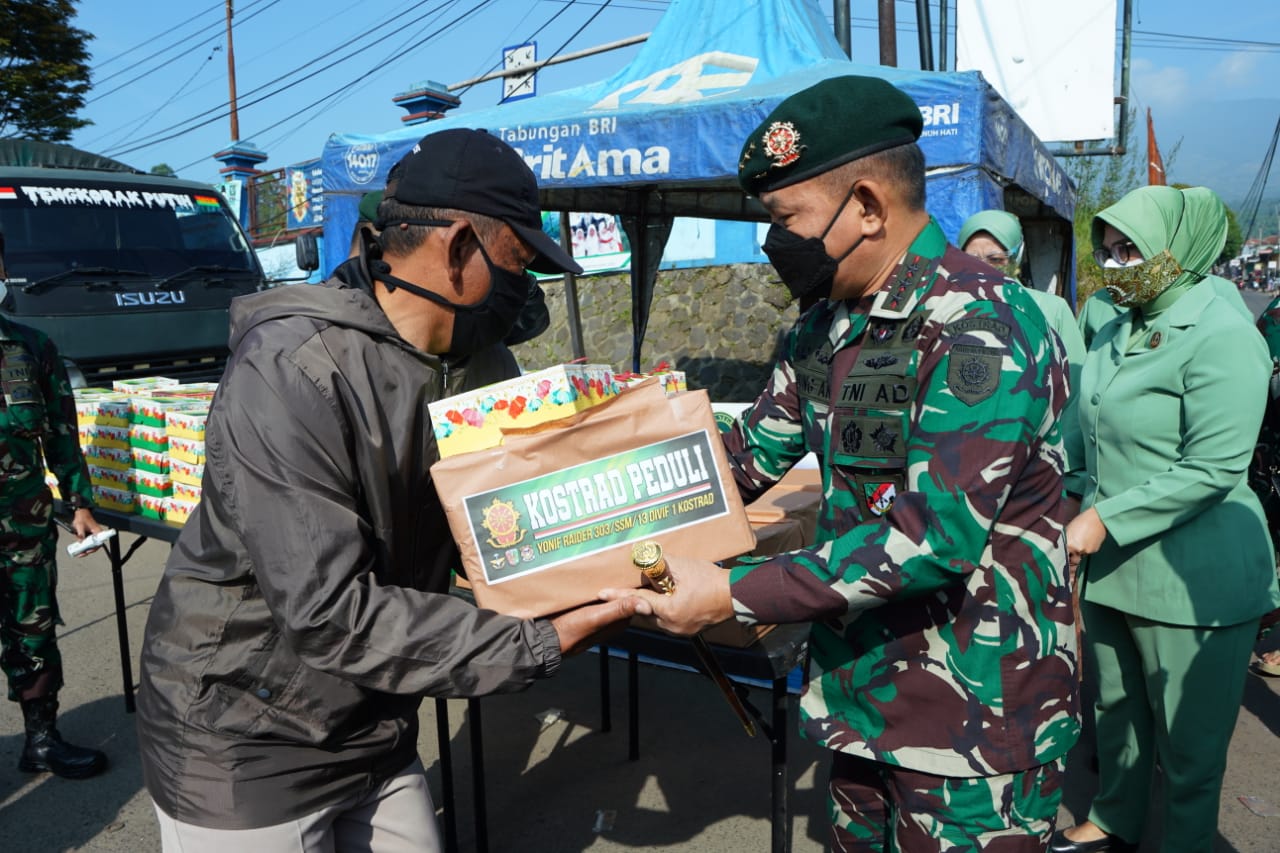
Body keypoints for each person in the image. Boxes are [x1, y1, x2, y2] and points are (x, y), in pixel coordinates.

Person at [603, 75, 1079, 851]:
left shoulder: (982, 325)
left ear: (866, 206)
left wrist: (729, 592)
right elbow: (745, 460)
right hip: (860, 699)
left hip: (977, 729)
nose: (773, 242)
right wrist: (599, 507)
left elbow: (930, 538)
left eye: (786, 217)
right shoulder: (822, 328)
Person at [135, 128, 639, 851]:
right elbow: (326, 611)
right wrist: (538, 641)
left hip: (372, 711)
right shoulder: (293, 370)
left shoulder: (478, 360)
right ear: (460, 247)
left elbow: (506, 512)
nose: (524, 291)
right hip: (243, 735)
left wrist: (607, 547)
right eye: (519, 264)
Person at [1053, 185, 1280, 853]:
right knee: (1118, 714)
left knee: (1189, 748)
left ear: (1177, 251)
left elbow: (1213, 466)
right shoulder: (1117, 326)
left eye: (1133, 249)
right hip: (1114, 566)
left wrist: (1100, 519)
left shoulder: (1225, 333)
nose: (1119, 263)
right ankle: (1115, 818)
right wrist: (1063, 490)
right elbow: (1081, 425)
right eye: (1111, 250)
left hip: (1194, 578)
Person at [1, 313, 108, 779]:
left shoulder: (31, 346)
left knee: (34, 629)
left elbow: (62, 432)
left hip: (22, 525)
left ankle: (42, 741)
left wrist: (79, 503)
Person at [959, 209, 1089, 505]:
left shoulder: (1048, 310)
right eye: (970, 259)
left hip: (1032, 480)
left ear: (1016, 258)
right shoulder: (945, 313)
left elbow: (1073, 398)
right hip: (960, 478)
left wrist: (1074, 485)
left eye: (995, 260)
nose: (981, 269)